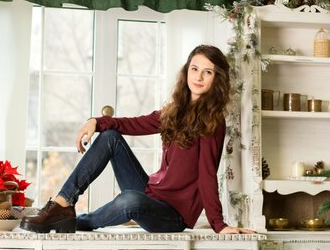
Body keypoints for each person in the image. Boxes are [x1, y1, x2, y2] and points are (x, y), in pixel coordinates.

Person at [20, 45, 254, 235]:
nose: (199, 76)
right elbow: (133, 124)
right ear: (186, 72)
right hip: (152, 193)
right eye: (194, 69)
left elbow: (207, 175)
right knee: (111, 137)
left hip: (173, 215)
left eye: (208, 72)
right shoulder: (174, 111)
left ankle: (80, 221)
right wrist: (96, 122)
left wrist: (219, 225)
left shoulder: (213, 121)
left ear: (217, 79)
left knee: (130, 201)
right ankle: (62, 203)